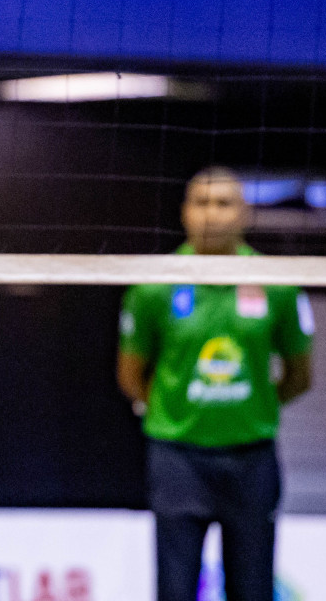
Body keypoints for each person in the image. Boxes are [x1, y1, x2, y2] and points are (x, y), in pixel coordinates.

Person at [117, 167, 315, 601]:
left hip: (251, 459)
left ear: (244, 214)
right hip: (177, 458)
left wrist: (253, 406)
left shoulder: (277, 283)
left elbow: (301, 376)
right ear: (184, 212)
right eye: (202, 202)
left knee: (252, 589)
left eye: (224, 203)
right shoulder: (154, 285)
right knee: (175, 588)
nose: (212, 214)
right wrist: (175, 410)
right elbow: (130, 375)